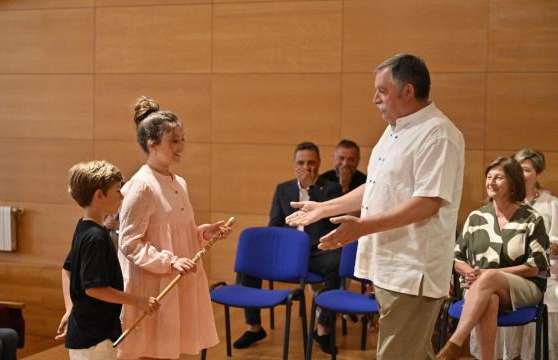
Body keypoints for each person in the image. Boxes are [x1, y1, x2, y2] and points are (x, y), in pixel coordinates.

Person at [286, 53, 465, 359]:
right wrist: (325, 207)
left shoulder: (438, 134)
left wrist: (362, 228)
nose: (375, 99)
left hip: (411, 270)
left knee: (396, 354)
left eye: (382, 91)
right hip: (389, 266)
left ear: (407, 91)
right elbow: (376, 188)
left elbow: (427, 203)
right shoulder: (396, 128)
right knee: (411, 352)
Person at [117, 96, 231, 359]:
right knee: (149, 351)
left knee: (171, 350)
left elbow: (177, 234)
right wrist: (169, 262)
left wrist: (204, 233)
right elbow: (130, 243)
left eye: (182, 139)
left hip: (175, 280)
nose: (181, 146)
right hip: (152, 284)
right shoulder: (141, 185)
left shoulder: (179, 181)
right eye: (174, 141)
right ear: (152, 144)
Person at [232, 142, 342, 354]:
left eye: (311, 162)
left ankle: (323, 329)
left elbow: (331, 221)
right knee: (251, 261)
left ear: (318, 163)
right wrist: (291, 236)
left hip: (315, 251)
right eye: (301, 162)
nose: (306, 167)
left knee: (335, 264)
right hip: (288, 252)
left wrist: (312, 189)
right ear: (294, 164)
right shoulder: (283, 189)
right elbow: (274, 224)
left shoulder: (331, 189)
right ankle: (254, 327)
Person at [437, 156, 550, 360]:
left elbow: (535, 267)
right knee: (490, 297)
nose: (491, 182)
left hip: (525, 287)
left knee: (488, 279)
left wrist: (489, 274)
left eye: (498, 177)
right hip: (479, 288)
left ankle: (454, 344)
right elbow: (457, 258)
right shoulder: (476, 217)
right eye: (489, 177)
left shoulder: (532, 218)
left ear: (513, 182)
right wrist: (471, 272)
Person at [56, 160, 159, 360]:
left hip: (87, 334)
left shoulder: (84, 227)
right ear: (99, 195)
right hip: (94, 339)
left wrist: (71, 309)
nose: (122, 196)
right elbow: (94, 288)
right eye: (117, 191)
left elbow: (66, 269)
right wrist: (138, 301)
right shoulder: (96, 237)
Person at [493, 149, 558, 360]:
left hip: (541, 274)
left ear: (538, 174)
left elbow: (555, 244)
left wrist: (529, 252)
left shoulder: (551, 204)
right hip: (504, 274)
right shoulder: (499, 203)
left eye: (526, 169)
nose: (520, 173)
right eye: (517, 168)